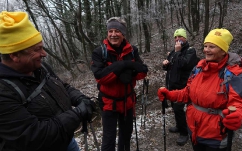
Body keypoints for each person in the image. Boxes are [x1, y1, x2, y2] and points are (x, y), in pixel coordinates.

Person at [0, 11, 96, 151]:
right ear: (15, 55)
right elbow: (34, 135)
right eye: (37, 49)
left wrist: (80, 99)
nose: (44, 54)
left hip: (66, 141)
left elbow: (60, 86)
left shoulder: (39, 67)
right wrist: (77, 114)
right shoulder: (4, 92)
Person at [157, 28, 242, 151]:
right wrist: (170, 94)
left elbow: (241, 104)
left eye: (212, 47)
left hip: (216, 136)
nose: (206, 50)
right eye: (205, 46)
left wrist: (239, 116)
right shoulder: (199, 68)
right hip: (195, 131)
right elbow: (188, 93)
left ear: (223, 50)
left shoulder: (233, 74)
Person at [91, 17, 148, 151]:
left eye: (117, 31)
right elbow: (100, 78)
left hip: (128, 101)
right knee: (108, 139)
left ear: (123, 34)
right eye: (110, 31)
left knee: (126, 135)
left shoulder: (132, 50)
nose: (113, 34)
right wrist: (123, 66)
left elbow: (143, 71)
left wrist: (131, 74)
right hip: (108, 103)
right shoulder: (99, 52)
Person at [162, 28, 198, 146]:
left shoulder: (190, 51)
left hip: (183, 86)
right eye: (175, 37)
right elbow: (170, 66)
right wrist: (165, 64)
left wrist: (177, 53)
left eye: (180, 37)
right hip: (172, 85)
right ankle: (179, 125)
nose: (177, 39)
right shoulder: (173, 52)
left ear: (185, 38)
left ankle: (184, 133)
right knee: (175, 108)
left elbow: (184, 64)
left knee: (179, 109)